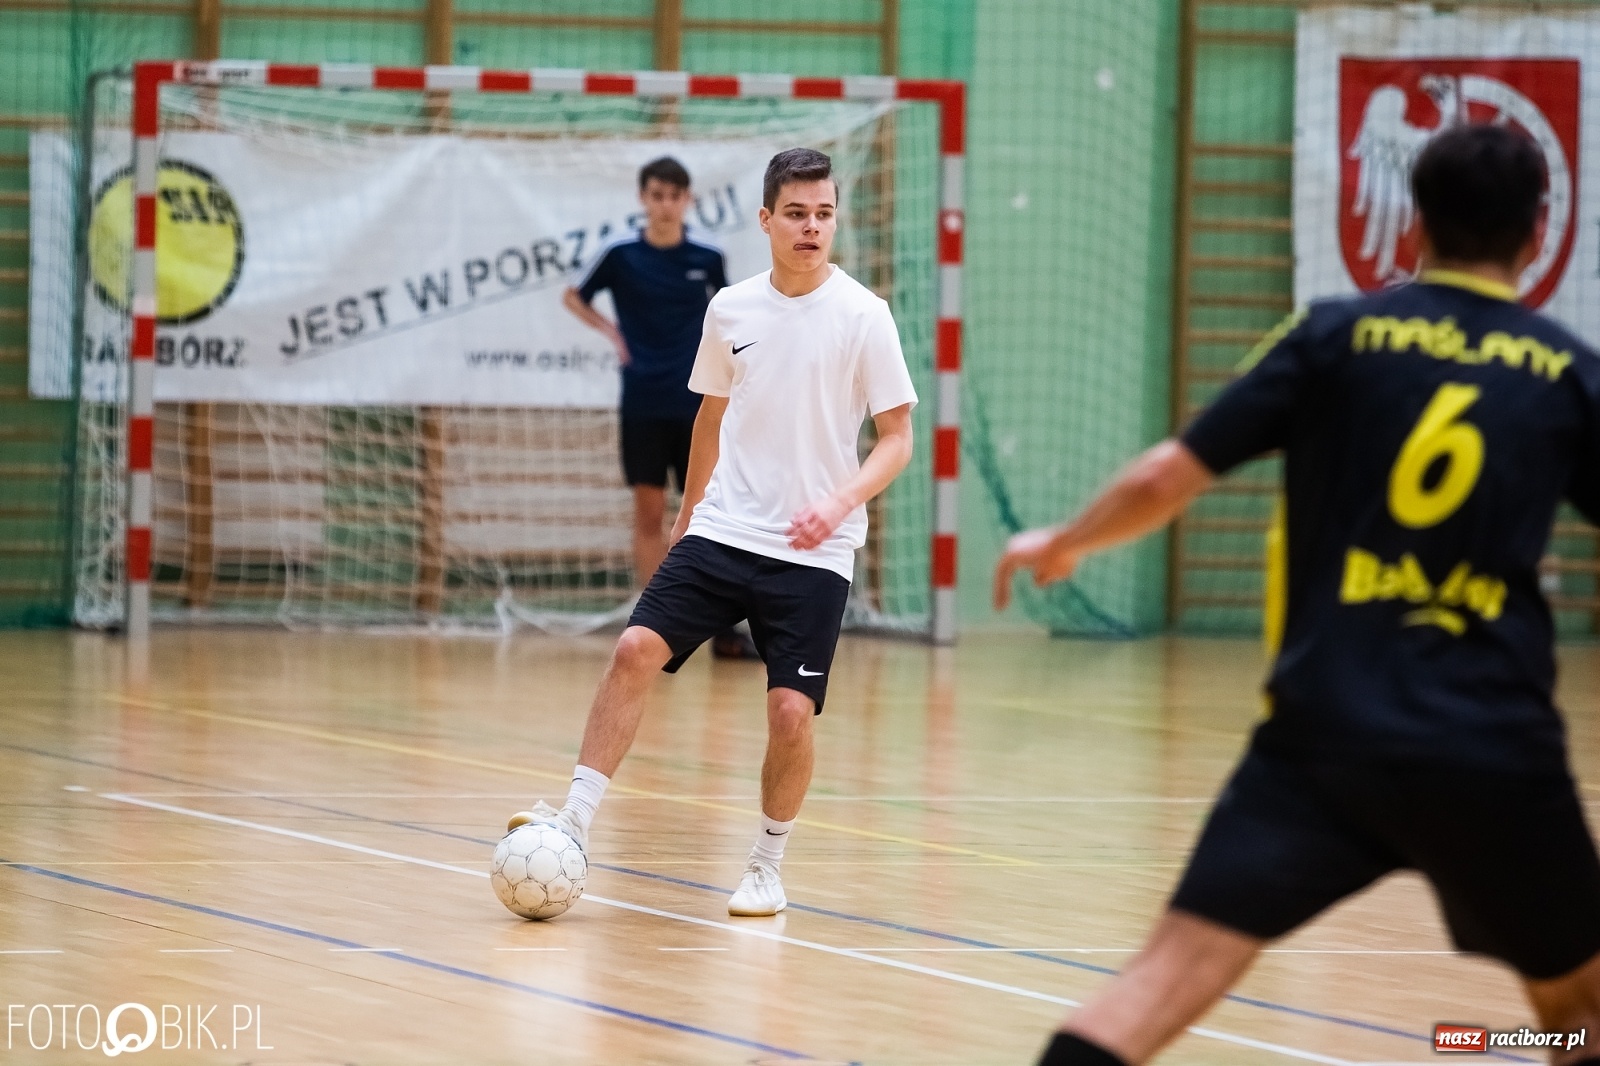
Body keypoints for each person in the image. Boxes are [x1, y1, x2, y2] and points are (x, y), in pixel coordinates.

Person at [996, 123, 1600, 1066]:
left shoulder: (1335, 336)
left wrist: (1066, 540)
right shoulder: (1568, 371)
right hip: (1494, 748)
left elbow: (1168, 476)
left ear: (1415, 225)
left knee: (1155, 985)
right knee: (1577, 1013)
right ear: (1537, 233)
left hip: (1324, 739)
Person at [513, 147, 918, 917]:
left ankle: (766, 865)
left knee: (789, 712)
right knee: (634, 649)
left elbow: (898, 438)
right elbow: (711, 414)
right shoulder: (730, 308)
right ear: (767, 220)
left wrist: (840, 502)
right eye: (796, 213)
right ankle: (571, 823)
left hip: (815, 549)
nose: (811, 227)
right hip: (726, 527)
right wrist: (690, 509)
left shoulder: (866, 317)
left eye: (824, 214)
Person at [563, 155, 755, 657]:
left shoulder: (707, 259)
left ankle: (720, 628)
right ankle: (655, 622)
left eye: (675, 195)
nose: (666, 204)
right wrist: (612, 334)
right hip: (644, 401)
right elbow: (574, 296)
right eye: (657, 195)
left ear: (687, 200)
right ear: (643, 199)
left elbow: (732, 317)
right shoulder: (622, 257)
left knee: (710, 512)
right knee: (649, 513)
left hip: (700, 405)